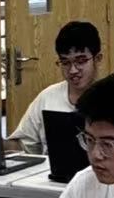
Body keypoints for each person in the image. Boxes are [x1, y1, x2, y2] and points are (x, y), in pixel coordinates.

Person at [5, 19, 102, 152]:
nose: (73, 70)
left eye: (80, 61)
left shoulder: (113, 98)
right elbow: (24, 145)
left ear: (97, 59)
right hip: (51, 165)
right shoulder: (48, 96)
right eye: (65, 62)